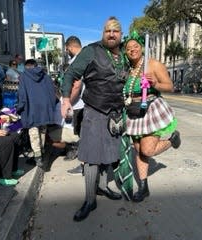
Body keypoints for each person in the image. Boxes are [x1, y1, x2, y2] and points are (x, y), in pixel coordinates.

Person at [61, 16, 129, 221]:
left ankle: (101, 187)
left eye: (115, 31)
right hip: (94, 110)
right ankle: (90, 200)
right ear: (103, 33)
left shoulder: (125, 54)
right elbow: (70, 73)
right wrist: (65, 99)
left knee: (109, 153)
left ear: (121, 34)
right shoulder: (91, 50)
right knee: (91, 156)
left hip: (115, 112)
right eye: (108, 30)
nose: (111, 34)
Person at [123, 31, 181, 202]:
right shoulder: (128, 69)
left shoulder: (153, 65)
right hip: (132, 112)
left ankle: (172, 140)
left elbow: (170, 86)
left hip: (149, 108)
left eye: (135, 46)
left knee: (147, 150)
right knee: (139, 151)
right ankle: (143, 187)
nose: (132, 50)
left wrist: (154, 83)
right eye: (128, 48)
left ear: (141, 47)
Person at [17, 59, 63, 169]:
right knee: (42, 130)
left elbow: (22, 95)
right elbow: (53, 92)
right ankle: (41, 154)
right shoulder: (45, 76)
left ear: (26, 66)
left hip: (31, 108)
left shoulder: (23, 77)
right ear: (36, 66)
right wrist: (50, 106)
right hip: (45, 108)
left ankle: (37, 158)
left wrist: (19, 108)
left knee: (33, 132)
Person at [63, 35, 85, 175]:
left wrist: (67, 102)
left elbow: (76, 85)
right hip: (90, 103)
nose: (67, 52)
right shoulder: (88, 58)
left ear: (70, 47)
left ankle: (84, 165)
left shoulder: (77, 61)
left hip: (80, 105)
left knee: (83, 136)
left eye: (67, 50)